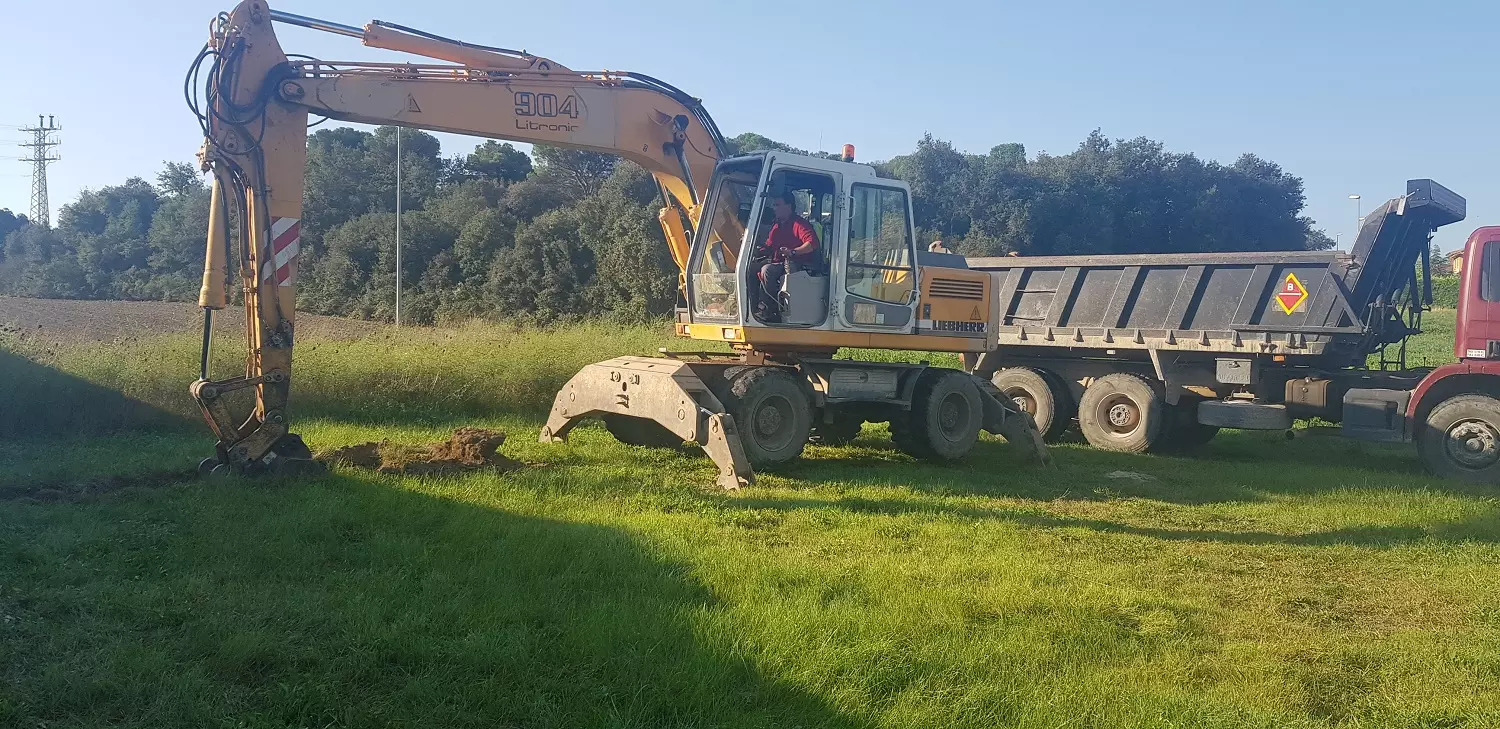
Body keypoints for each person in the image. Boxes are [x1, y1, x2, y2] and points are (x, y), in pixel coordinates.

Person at [754, 190, 820, 320]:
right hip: (778, 263)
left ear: (788, 206)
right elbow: (769, 247)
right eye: (774, 205)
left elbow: (812, 244)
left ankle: (771, 309)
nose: (774, 208)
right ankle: (753, 307)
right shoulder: (777, 226)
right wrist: (755, 248)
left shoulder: (799, 224)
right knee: (749, 269)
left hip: (795, 264)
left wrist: (792, 252)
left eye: (777, 205)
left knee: (767, 270)